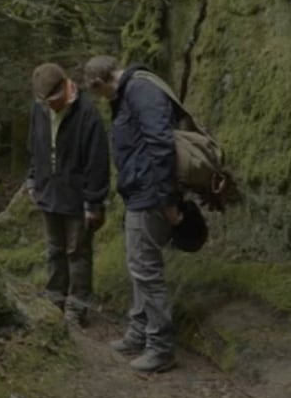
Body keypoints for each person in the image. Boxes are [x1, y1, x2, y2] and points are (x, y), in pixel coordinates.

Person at [83, 55, 181, 373]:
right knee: (138, 266)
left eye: (98, 93)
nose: (100, 100)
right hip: (139, 192)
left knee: (146, 271)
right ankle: (139, 333)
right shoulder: (129, 92)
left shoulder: (140, 90)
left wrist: (166, 199)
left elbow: (161, 144)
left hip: (150, 194)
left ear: (102, 82)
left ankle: (160, 347)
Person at [26, 62, 110, 326]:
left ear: (65, 86)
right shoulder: (39, 109)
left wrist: (94, 202)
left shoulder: (87, 113)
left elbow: (97, 161)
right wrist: (32, 178)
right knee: (54, 250)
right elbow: (35, 145)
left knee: (78, 252)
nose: (49, 105)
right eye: (44, 101)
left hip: (78, 196)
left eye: (53, 99)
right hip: (48, 190)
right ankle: (54, 300)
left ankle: (77, 307)